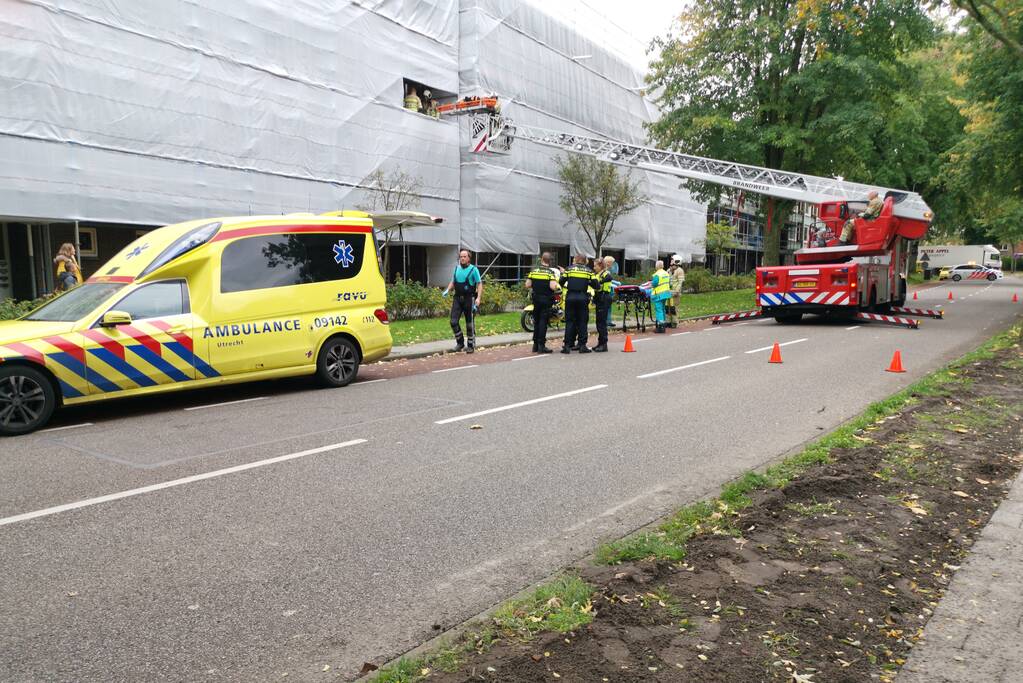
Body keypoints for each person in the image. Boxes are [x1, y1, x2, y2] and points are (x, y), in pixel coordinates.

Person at [442, 249, 483, 353]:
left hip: (470, 299)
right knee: (453, 321)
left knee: (469, 323)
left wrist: (478, 298)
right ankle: (460, 343)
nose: (462, 258)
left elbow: (479, 284)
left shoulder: (473, 270)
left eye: (464, 256)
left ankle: (470, 345)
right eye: (461, 256)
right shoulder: (456, 268)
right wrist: (447, 289)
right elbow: (453, 281)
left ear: (469, 258)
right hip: (457, 298)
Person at [559, 253, 598, 353]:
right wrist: (586, 282)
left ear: (576, 260)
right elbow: (596, 285)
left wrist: (569, 284)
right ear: (585, 261)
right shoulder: (589, 271)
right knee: (582, 322)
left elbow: (561, 281)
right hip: (582, 297)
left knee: (570, 321)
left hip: (570, 297)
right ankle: (582, 346)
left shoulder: (569, 269)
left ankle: (567, 346)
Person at [524, 252, 558, 354]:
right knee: (543, 322)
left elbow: (527, 285)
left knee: (537, 322)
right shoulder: (550, 272)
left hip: (536, 299)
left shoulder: (534, 271)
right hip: (546, 300)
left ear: (541, 259)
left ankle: (535, 345)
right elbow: (553, 287)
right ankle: (541, 346)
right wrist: (556, 284)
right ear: (550, 261)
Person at [592, 257, 613, 352]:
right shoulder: (597, 274)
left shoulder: (606, 273)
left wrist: (599, 282)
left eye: (595, 265)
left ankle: (604, 344)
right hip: (599, 298)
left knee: (602, 323)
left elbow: (609, 278)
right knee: (598, 322)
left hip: (604, 298)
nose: (594, 267)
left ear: (600, 266)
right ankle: (600, 343)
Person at [650, 259, 672, 333]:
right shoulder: (666, 273)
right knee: (662, 309)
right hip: (665, 294)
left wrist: (651, 283)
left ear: (656, 266)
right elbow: (669, 283)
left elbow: (654, 284)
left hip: (658, 294)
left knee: (658, 310)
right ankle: (663, 325)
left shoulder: (657, 275)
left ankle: (661, 327)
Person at [668, 255, 685, 328]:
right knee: (668, 308)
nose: (671, 262)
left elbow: (680, 282)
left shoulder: (680, 270)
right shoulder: (669, 270)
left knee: (674, 308)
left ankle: (675, 323)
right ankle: (668, 322)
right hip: (668, 292)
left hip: (675, 293)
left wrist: (677, 291)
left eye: (672, 260)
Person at [604, 255, 619, 328]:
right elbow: (608, 282)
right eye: (612, 263)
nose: (613, 265)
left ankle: (608, 321)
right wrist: (616, 284)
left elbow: (610, 280)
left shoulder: (608, 271)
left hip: (610, 291)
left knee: (609, 307)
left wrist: (616, 283)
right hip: (606, 291)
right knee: (606, 307)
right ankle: (606, 321)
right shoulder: (605, 271)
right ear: (608, 263)